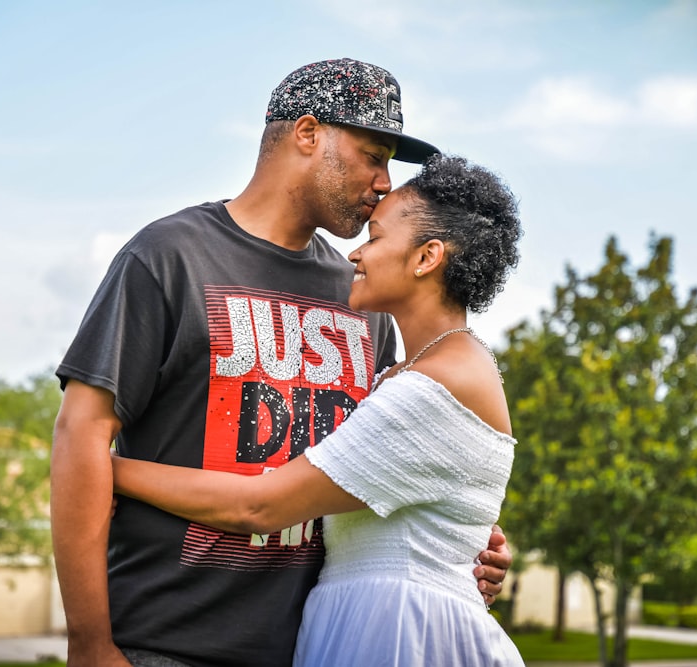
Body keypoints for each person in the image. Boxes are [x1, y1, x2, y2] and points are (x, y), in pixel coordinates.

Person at [51, 58, 512, 667]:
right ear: (307, 133)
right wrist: (89, 641)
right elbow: (81, 434)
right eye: (373, 154)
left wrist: (458, 544)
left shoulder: (363, 297)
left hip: (309, 644)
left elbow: (378, 465)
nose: (383, 181)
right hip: (164, 642)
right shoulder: (169, 256)